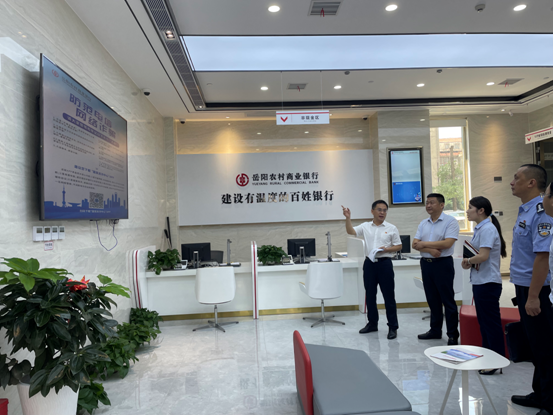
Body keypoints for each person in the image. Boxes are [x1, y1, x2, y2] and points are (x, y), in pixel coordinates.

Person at [509, 165, 553, 416]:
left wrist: (534, 296)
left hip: (538, 289)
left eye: (517, 178)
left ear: (531, 183)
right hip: (524, 285)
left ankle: (550, 403)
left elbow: (542, 257)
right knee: (535, 345)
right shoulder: (526, 209)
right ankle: (539, 393)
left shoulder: (542, 212)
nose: (512, 182)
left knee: (545, 347)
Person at [343, 200, 402, 340]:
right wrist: (348, 218)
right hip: (369, 264)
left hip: (385, 264)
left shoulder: (391, 228)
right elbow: (351, 231)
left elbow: (399, 246)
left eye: (384, 210)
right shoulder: (365, 226)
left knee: (389, 296)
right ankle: (372, 323)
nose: (382, 213)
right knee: (370, 295)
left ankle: (393, 326)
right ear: (372, 211)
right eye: (379, 210)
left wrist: (387, 249)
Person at [462, 196, 507, 375]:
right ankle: (488, 356)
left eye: (470, 208)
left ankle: (496, 360)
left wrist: (468, 260)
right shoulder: (481, 228)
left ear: (481, 210)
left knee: (491, 323)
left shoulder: (487, 228)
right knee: (484, 322)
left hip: (488, 283)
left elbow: (483, 256)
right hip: (481, 281)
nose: (467, 211)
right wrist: (470, 261)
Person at [412, 193, 460, 345]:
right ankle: (435, 330)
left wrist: (424, 244)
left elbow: (447, 243)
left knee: (447, 300)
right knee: (432, 299)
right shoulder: (423, 223)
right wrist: (430, 250)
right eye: (427, 203)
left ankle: (452, 334)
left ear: (442, 205)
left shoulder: (450, 221)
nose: (428, 205)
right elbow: (415, 244)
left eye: (432, 202)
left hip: (443, 264)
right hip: (426, 264)